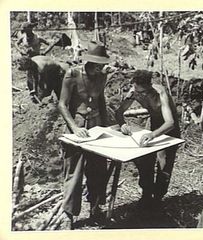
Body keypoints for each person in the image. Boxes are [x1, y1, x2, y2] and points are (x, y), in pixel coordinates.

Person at [58, 42, 111, 229]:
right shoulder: (72, 75)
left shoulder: (101, 77)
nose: (100, 68)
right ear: (88, 62)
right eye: (97, 64)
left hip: (96, 126)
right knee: (74, 171)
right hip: (78, 126)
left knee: (98, 169)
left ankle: (96, 207)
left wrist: (107, 126)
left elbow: (101, 100)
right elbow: (62, 104)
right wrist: (73, 127)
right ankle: (69, 214)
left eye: (101, 65)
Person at [115, 70, 180, 208]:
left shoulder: (160, 93)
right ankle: (146, 194)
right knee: (145, 160)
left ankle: (158, 198)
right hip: (154, 125)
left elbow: (170, 123)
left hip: (169, 129)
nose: (141, 95)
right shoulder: (134, 91)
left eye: (144, 92)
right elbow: (119, 112)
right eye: (139, 91)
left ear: (149, 86)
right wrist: (122, 125)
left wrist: (153, 135)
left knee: (164, 164)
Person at [15, 22, 56, 99]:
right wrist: (20, 51)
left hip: (37, 59)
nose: (25, 32)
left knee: (40, 76)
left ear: (30, 29)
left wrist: (44, 52)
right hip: (27, 60)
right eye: (24, 30)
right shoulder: (23, 37)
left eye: (26, 30)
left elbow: (50, 44)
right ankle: (33, 92)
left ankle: (43, 93)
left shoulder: (37, 37)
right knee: (29, 76)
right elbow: (16, 43)